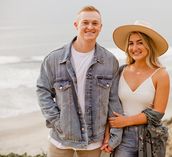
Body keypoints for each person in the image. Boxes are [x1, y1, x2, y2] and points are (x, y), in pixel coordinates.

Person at [36, 5, 123, 157]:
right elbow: (43, 91)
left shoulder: (110, 61)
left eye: (95, 23)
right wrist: (57, 121)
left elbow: (114, 100)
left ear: (100, 27)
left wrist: (115, 134)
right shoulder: (54, 59)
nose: (90, 27)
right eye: (85, 22)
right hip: (61, 140)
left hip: (95, 141)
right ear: (76, 25)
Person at [108, 21, 170, 157]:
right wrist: (108, 134)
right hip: (122, 138)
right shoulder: (120, 72)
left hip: (150, 139)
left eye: (140, 42)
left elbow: (158, 113)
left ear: (149, 45)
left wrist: (126, 121)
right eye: (131, 43)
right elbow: (109, 103)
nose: (134, 47)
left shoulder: (161, 74)